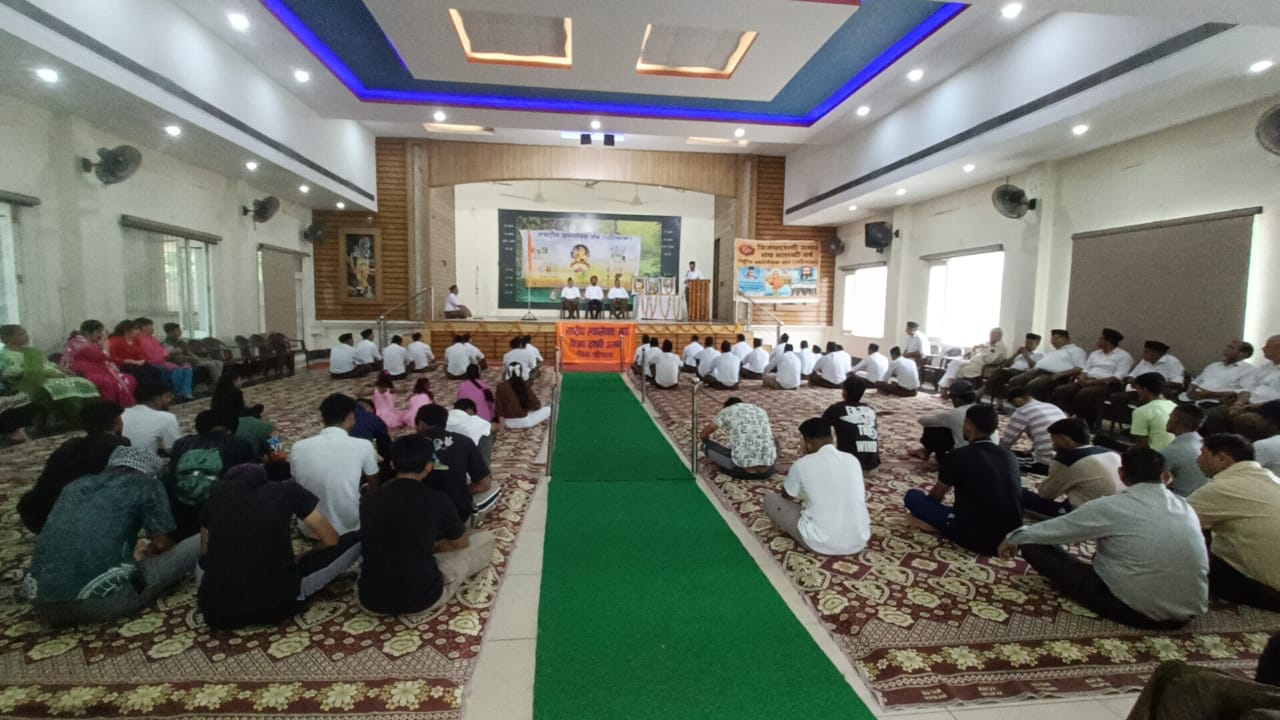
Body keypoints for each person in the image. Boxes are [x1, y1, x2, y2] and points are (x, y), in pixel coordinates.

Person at [999, 446, 1208, 629]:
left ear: (1121, 474)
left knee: (1032, 543)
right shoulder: (1185, 506)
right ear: (1166, 476)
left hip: (1136, 610)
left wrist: (1015, 537)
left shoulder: (1113, 506)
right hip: (1187, 614)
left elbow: (1056, 530)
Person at [20, 446, 199, 626]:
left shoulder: (75, 486)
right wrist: (149, 550)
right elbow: (162, 544)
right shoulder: (147, 484)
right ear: (151, 472)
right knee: (198, 541)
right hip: (104, 602)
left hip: (43, 608)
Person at [198, 463, 361, 630]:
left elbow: (204, 552)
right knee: (357, 538)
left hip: (217, 613)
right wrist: (309, 554)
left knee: (204, 562)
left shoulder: (214, 498)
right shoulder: (287, 491)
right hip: (279, 605)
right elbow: (331, 539)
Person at [357, 435, 496, 615]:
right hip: (423, 599)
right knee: (485, 539)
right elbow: (461, 544)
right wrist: (431, 545)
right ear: (429, 466)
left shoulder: (369, 500)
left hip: (369, 601)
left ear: (392, 465)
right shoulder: (437, 499)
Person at [903, 404, 1022, 556]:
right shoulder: (1009, 456)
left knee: (913, 496)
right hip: (1011, 539)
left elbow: (937, 496)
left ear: (969, 425)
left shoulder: (959, 455)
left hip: (974, 536)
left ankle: (940, 526)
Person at [1190, 433, 1280, 611]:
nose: (1197, 459)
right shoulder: (1272, 479)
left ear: (1221, 459)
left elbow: (1175, 522)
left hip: (1270, 590)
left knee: (1191, 552)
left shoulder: (1222, 487)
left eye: (1202, 453)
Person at [18, 400, 129, 534]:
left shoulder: (69, 445)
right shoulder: (117, 444)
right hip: (75, 519)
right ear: (117, 422)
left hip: (36, 515)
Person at [763, 418, 871, 555]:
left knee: (770, 500)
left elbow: (787, 495)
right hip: (859, 540)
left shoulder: (802, 464)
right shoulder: (852, 459)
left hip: (819, 542)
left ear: (807, 444)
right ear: (833, 438)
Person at [290, 394, 380, 539]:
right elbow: (374, 488)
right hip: (350, 527)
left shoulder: (298, 447)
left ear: (323, 418)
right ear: (350, 416)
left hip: (310, 528)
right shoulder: (364, 445)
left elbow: (297, 483)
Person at [166, 409, 259, 539]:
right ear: (231, 427)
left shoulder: (180, 444)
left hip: (181, 522)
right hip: (226, 521)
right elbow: (255, 477)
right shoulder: (239, 444)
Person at [1022, 417, 1122, 517]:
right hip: (1118, 507)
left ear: (1065, 439)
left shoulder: (1067, 460)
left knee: (1022, 494)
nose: (1053, 445)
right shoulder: (1110, 452)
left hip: (1090, 514)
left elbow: (1046, 495)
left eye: (1053, 439)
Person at [416, 404, 500, 521]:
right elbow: (484, 485)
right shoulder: (464, 442)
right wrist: (458, 490)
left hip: (418, 513)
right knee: (494, 487)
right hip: (458, 513)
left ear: (421, 424)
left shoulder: (405, 444)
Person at [0, 324, 100, 422]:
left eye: (25, 333)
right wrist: (43, 372)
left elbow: (48, 364)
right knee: (60, 388)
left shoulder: (32, 351)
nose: (26, 336)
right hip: (27, 382)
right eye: (20, 334)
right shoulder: (4, 355)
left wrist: (62, 370)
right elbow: (8, 372)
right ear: (7, 338)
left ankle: (86, 417)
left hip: (51, 377)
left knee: (83, 383)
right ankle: (68, 418)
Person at [1049, 328, 1134, 428]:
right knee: (1061, 390)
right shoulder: (1095, 353)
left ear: (1108, 342)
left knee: (1083, 394)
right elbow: (1086, 370)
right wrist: (1082, 377)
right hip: (1087, 381)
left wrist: (1093, 382)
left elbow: (1117, 378)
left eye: (1100, 339)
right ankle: (1066, 417)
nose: (1098, 341)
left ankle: (1086, 422)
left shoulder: (1124, 356)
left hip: (1107, 385)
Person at [61, 320, 136, 406]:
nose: (100, 334)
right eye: (98, 331)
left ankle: (117, 406)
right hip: (82, 372)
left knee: (129, 378)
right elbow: (101, 357)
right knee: (108, 383)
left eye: (101, 331)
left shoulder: (90, 343)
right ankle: (109, 407)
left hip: (96, 369)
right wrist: (104, 343)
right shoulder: (80, 343)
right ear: (87, 333)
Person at [700, 397, 778, 479]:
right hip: (768, 470)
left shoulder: (728, 410)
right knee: (775, 443)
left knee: (705, 446)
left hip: (740, 470)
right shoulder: (760, 410)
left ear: (726, 406)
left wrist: (707, 441)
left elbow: (704, 434)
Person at [999, 385, 1066, 475]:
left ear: (1017, 400)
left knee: (1005, 459)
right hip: (1066, 460)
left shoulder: (1022, 411)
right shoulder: (1052, 407)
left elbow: (1007, 441)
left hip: (1046, 462)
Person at [1007, 329, 1087, 400]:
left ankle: (1033, 409)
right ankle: (1015, 407)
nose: (1052, 342)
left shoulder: (1076, 350)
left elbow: (1079, 368)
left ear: (1065, 339)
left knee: (1032, 386)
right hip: (1036, 371)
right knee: (1014, 381)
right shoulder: (1055, 352)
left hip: (1054, 375)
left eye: (1055, 339)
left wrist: (1061, 374)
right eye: (1052, 339)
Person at [911, 379, 978, 461]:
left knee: (934, 427)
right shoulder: (983, 410)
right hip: (984, 457)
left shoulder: (954, 414)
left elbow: (922, 420)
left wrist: (939, 414)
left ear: (957, 399)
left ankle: (929, 451)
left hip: (961, 460)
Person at [822, 376, 879, 471]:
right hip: (873, 466)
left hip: (847, 468)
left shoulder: (836, 409)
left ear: (844, 392)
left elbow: (820, 430)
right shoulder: (870, 410)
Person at [135, 317, 195, 401]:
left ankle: (186, 392)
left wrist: (168, 353)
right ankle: (178, 393)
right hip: (153, 363)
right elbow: (152, 355)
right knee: (177, 369)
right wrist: (166, 355)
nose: (153, 328)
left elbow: (162, 350)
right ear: (144, 327)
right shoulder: (141, 339)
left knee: (187, 367)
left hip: (163, 361)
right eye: (150, 326)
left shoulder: (152, 338)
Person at [938, 328, 1007, 399]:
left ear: (999, 336)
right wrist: (975, 349)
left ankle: (947, 390)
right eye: (990, 335)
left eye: (992, 335)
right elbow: (974, 355)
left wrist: (982, 354)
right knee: (954, 362)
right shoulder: (986, 344)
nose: (990, 337)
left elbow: (989, 360)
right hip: (972, 361)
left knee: (958, 369)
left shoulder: (1001, 348)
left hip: (982, 366)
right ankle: (948, 390)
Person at [1181, 339, 1254, 404]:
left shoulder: (1249, 370)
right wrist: (1190, 392)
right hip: (1191, 399)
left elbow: (1244, 391)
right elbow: (1197, 381)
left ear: (1243, 354)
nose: (1226, 349)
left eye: (1231, 348)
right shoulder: (1214, 365)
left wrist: (1211, 394)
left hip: (1215, 402)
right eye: (1227, 347)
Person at [979, 333, 1043, 407]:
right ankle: (998, 401)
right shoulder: (1020, 354)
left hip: (1024, 373)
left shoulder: (1040, 355)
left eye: (1030, 343)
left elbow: (1035, 368)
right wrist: (1016, 354)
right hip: (1011, 371)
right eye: (1026, 342)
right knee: (997, 374)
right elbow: (1006, 365)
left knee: (998, 375)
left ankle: (982, 392)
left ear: (1037, 343)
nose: (1027, 345)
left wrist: (1027, 357)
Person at [1160, 404, 1211, 496]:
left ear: (1176, 420)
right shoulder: (1203, 444)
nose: (1168, 420)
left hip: (1182, 499)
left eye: (1170, 416)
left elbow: (1149, 481)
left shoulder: (1173, 451)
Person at [121, 382, 180, 455]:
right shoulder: (167, 417)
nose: (171, 399)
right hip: (144, 460)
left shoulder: (121, 414)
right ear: (156, 400)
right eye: (168, 396)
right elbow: (175, 449)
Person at [107, 319, 162, 386]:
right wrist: (129, 361)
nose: (138, 331)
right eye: (135, 329)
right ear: (127, 331)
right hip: (123, 365)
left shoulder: (136, 340)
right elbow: (112, 358)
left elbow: (140, 354)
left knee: (155, 371)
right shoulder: (115, 341)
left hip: (137, 364)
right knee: (142, 373)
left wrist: (143, 360)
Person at [1129, 372, 1177, 450]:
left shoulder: (1141, 411)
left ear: (1145, 389)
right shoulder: (1175, 406)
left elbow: (1142, 446)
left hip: (1154, 454)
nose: (1137, 392)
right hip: (1173, 452)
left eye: (1138, 389)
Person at [448, 397, 495, 466]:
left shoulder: (444, 415)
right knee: (488, 433)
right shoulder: (473, 419)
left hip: (443, 458)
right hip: (465, 458)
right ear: (470, 411)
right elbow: (494, 427)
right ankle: (483, 468)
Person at [351, 398, 392, 464]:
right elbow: (385, 437)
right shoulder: (371, 417)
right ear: (370, 408)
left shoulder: (344, 417)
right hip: (366, 459)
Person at [1255, 401, 1280, 475]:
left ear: (1269, 421)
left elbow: (1244, 473)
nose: (1256, 421)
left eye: (1259, 417)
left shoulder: (1263, 445)